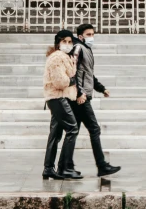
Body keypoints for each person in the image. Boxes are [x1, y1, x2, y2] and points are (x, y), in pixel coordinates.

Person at [72, 23, 121, 178]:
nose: (91, 37)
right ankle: (101, 166)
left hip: (84, 95)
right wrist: (80, 93)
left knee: (73, 132)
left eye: (93, 34)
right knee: (94, 129)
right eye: (88, 34)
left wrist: (100, 88)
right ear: (80, 36)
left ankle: (65, 166)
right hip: (81, 97)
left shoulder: (86, 49)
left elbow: (88, 74)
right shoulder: (78, 49)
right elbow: (73, 73)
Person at [42, 29, 83, 180]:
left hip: (56, 97)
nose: (67, 44)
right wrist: (71, 81)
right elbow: (60, 82)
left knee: (55, 134)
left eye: (69, 42)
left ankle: (49, 168)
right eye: (64, 42)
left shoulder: (62, 56)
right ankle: (64, 167)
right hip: (58, 97)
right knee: (72, 129)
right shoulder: (57, 57)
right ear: (58, 43)